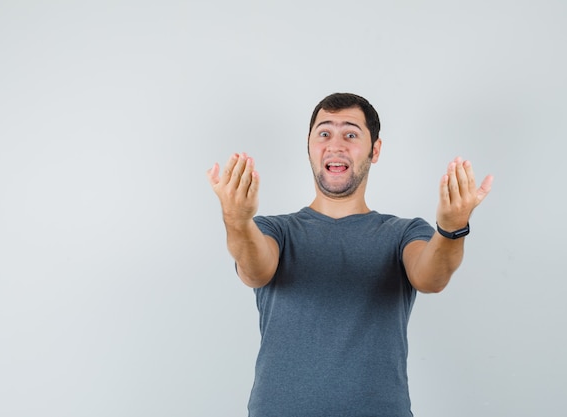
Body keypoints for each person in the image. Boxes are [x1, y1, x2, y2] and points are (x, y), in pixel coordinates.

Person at [206, 92, 493, 417]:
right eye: (324, 133)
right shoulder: (274, 230)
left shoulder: (403, 233)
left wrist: (451, 228)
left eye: (351, 134)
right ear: (310, 147)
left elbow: (431, 277)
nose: (336, 144)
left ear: (376, 150)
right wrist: (237, 220)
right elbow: (255, 270)